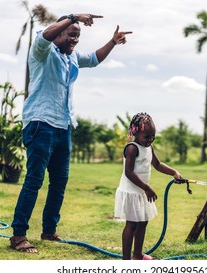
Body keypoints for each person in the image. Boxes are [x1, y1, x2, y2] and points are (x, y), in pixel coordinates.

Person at [9, 13, 132, 253]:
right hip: (40, 123)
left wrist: (113, 42)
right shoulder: (42, 51)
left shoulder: (72, 57)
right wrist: (73, 16)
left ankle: (48, 230)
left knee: (59, 182)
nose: (75, 39)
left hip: (63, 126)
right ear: (60, 33)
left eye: (78, 35)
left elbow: (95, 58)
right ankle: (18, 235)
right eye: (71, 34)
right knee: (34, 180)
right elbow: (45, 36)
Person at [114, 113, 182, 260]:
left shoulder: (149, 147)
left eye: (153, 136)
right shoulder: (132, 148)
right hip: (132, 191)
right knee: (131, 225)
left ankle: (137, 255)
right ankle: (126, 261)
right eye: (147, 137)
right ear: (135, 132)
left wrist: (174, 172)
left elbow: (157, 164)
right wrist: (146, 188)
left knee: (143, 222)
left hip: (142, 191)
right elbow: (129, 173)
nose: (150, 140)